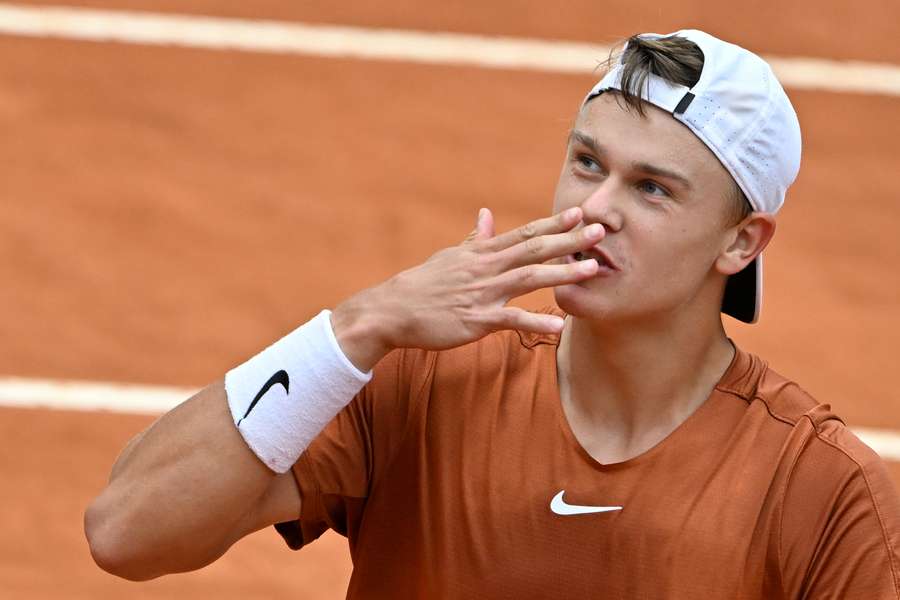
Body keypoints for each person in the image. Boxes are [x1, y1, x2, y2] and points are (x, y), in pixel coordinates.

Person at [85, 29, 900, 598]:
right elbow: (126, 534)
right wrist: (358, 326)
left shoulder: (821, 493)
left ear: (740, 242)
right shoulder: (414, 379)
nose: (595, 210)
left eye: (652, 188)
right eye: (587, 164)